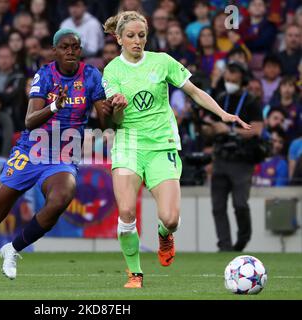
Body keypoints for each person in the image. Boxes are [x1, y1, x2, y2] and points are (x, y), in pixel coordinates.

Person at [0, 29, 107, 288]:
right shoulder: (45, 75)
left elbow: (106, 120)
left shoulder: (91, 76)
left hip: (63, 156)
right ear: (54, 50)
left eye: (75, 47)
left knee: (61, 198)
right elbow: (30, 120)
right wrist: (55, 106)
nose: (70, 51)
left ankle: (12, 248)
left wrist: (113, 110)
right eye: (65, 47)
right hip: (30, 151)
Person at [102, 11, 251, 288]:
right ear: (119, 38)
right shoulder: (112, 71)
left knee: (170, 218)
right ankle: (135, 274)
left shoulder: (162, 62)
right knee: (125, 212)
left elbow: (194, 92)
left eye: (142, 36)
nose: (137, 41)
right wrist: (118, 108)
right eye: (131, 36)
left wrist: (223, 114)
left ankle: (164, 234)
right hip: (129, 144)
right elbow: (115, 121)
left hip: (162, 144)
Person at [204, 62, 264, 253]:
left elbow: (256, 130)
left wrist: (229, 129)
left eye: (234, 79)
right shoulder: (221, 98)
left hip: (242, 160)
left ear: (243, 80)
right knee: (217, 206)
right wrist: (208, 127)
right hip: (221, 157)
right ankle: (225, 246)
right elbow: (211, 127)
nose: (230, 82)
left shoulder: (251, 102)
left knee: (240, 204)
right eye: (227, 78)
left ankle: (243, 239)